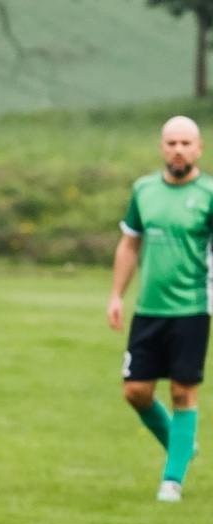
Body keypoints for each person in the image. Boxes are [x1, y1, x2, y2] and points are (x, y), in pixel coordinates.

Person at [107, 115, 212, 503]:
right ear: (161, 148)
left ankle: (172, 481)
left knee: (183, 392)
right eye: (171, 143)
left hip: (193, 308)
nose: (178, 150)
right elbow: (129, 243)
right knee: (136, 391)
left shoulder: (209, 194)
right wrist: (116, 295)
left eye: (186, 143)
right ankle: (182, 444)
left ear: (199, 148)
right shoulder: (144, 189)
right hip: (149, 309)